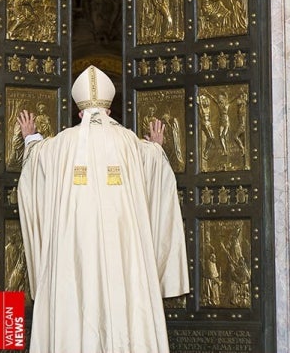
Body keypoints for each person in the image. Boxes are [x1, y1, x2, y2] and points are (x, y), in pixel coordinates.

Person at [17, 65, 189, 352]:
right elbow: (155, 169)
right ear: (109, 111)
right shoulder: (130, 143)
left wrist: (30, 137)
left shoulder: (59, 145)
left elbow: (35, 164)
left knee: (74, 291)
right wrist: (157, 147)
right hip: (122, 248)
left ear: (79, 112)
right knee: (126, 296)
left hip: (73, 249)